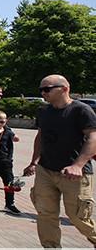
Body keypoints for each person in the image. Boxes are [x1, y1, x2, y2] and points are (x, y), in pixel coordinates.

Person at [24, 74, 96, 247]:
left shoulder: (81, 110)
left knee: (78, 216)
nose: (43, 93)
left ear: (64, 89)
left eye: (47, 89)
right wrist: (34, 162)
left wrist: (78, 165)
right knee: (45, 213)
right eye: (41, 89)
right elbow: (40, 137)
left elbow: (93, 138)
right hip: (46, 170)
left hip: (75, 174)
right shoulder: (44, 111)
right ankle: (51, 246)